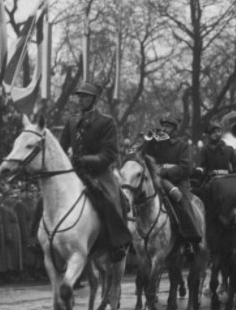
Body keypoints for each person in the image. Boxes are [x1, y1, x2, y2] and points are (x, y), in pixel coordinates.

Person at [58, 82, 132, 262]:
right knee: (48, 195)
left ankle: (117, 243)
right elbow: (62, 148)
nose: (81, 99)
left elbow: (110, 154)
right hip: (75, 172)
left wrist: (85, 160)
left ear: (94, 99)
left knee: (110, 199)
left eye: (85, 96)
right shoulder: (71, 120)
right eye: (79, 96)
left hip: (99, 173)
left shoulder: (106, 122)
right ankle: (37, 240)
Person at [138, 116, 202, 255]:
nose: (164, 129)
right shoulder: (156, 143)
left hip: (177, 182)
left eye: (168, 126)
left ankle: (188, 240)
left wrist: (164, 172)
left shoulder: (183, 145)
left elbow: (186, 167)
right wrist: (148, 142)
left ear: (174, 129)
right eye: (163, 126)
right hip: (155, 181)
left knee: (182, 203)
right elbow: (144, 158)